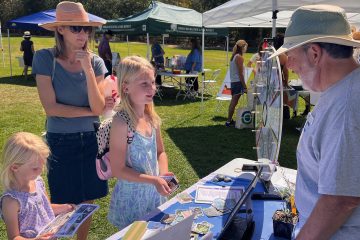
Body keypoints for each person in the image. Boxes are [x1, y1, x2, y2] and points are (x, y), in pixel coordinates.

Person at [271, 4, 360, 239]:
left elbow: (340, 200)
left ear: (314, 54)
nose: (288, 65)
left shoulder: (347, 105)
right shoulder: (342, 91)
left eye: (291, 56)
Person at [32, 2, 113, 239]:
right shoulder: (45, 59)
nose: (83, 34)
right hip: (60, 140)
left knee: (87, 199)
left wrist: (87, 68)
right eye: (76, 28)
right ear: (61, 30)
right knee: (62, 200)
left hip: (90, 138)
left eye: (86, 29)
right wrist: (90, 111)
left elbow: (97, 107)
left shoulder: (96, 62)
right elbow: (51, 108)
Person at [108, 56, 173, 230]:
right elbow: (118, 170)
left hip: (154, 195)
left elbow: (161, 152)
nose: (152, 88)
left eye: (152, 82)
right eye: (144, 84)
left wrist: (164, 176)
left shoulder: (152, 117)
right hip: (131, 200)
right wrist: (154, 180)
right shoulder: (121, 122)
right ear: (125, 87)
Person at [0, 132, 74, 239]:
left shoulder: (38, 182)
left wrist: (66, 208)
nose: (41, 171)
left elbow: (46, 208)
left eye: (43, 164)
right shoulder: (11, 201)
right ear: (15, 167)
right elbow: (14, 237)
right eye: (35, 168)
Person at [226, 40, 248, 127]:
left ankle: (229, 120)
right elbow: (240, 74)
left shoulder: (234, 56)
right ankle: (228, 121)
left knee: (233, 102)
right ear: (242, 47)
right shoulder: (239, 57)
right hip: (237, 82)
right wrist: (244, 86)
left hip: (234, 82)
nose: (246, 48)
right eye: (245, 46)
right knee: (234, 102)